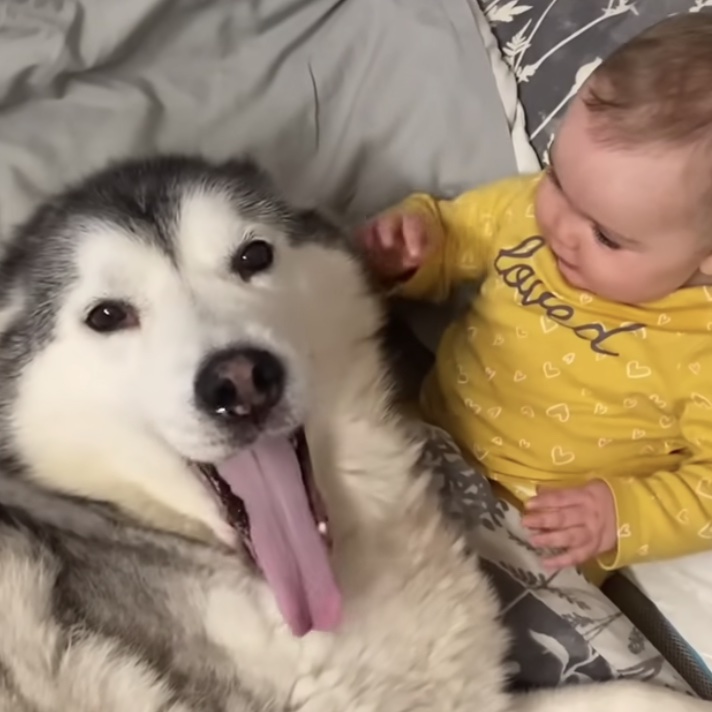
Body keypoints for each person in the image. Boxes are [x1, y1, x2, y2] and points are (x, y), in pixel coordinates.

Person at [357, 14, 712, 579]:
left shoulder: (700, 350)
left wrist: (623, 515)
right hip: (420, 438)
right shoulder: (528, 211)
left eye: (606, 236)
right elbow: (457, 234)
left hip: (530, 535)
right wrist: (410, 249)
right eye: (557, 179)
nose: (559, 226)